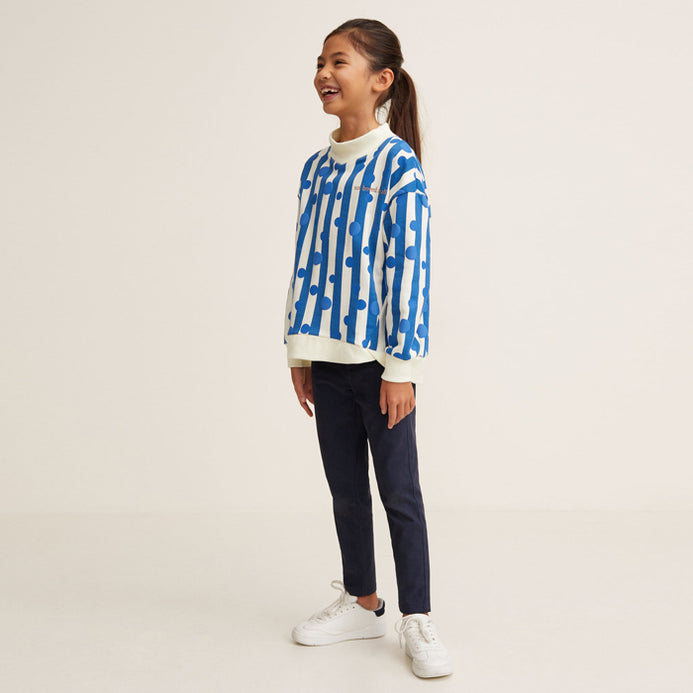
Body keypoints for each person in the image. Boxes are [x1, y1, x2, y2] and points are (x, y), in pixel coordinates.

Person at [282, 18, 452, 679]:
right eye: (320, 62)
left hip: (381, 366)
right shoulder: (315, 168)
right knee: (345, 490)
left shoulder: (397, 166)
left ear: (380, 80)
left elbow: (410, 269)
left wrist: (401, 367)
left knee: (399, 492)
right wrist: (299, 351)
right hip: (326, 362)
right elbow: (306, 261)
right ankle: (361, 600)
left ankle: (417, 616)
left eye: (339, 62)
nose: (323, 73)